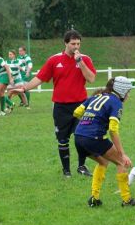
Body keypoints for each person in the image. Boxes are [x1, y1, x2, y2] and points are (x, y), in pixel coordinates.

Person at [18, 30, 97, 177]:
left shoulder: (85, 59)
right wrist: (25, 87)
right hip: (61, 106)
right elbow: (40, 78)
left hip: (81, 105)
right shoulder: (54, 60)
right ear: (66, 43)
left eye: (78, 44)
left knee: (82, 137)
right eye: (73, 43)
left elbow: (91, 79)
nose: (76, 46)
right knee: (62, 139)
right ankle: (66, 171)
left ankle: (81, 166)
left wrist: (81, 63)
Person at [73, 76, 135, 207]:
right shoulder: (116, 102)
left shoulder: (96, 97)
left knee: (103, 161)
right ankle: (127, 200)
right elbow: (113, 130)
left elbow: (76, 112)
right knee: (121, 162)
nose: (128, 95)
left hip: (78, 136)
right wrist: (122, 154)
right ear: (121, 91)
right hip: (94, 138)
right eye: (128, 91)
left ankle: (94, 198)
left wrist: (90, 121)